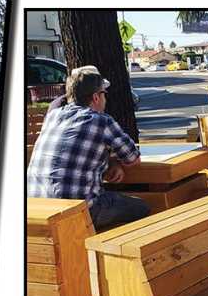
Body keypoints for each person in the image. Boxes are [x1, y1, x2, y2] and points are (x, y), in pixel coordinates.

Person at [27, 65, 150, 231]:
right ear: (96, 97)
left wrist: (111, 162)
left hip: (39, 208)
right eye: (104, 94)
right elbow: (133, 159)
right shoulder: (101, 121)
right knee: (142, 208)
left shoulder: (54, 116)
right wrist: (116, 162)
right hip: (80, 210)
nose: (106, 99)